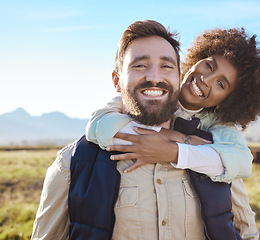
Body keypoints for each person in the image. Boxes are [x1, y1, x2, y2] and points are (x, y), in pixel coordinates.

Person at [31, 20, 244, 240]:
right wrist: (170, 137)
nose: (154, 77)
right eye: (140, 65)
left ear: (178, 76)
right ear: (117, 81)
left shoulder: (216, 156)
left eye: (166, 66)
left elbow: (246, 232)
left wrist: (179, 149)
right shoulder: (71, 163)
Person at [85, 28, 260, 239]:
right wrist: (171, 136)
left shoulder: (219, 125)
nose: (206, 79)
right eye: (209, 65)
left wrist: (174, 150)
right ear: (195, 59)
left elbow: (241, 163)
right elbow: (97, 127)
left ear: (226, 102)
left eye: (221, 84)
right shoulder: (149, 94)